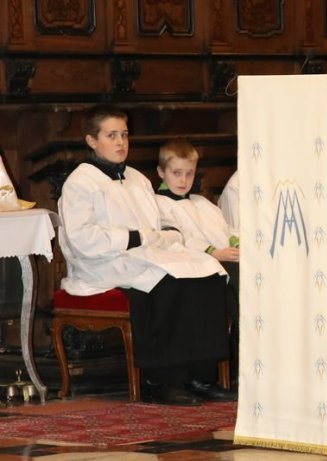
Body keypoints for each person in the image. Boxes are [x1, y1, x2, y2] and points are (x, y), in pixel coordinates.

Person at [57, 105, 235, 406]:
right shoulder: (79, 182)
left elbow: (156, 222)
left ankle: (201, 376)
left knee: (208, 272)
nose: (120, 142)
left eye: (124, 135)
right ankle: (163, 380)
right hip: (102, 263)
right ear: (92, 141)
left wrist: (165, 236)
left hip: (144, 253)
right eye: (111, 135)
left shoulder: (137, 178)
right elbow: (81, 238)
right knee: (166, 282)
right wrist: (135, 238)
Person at [154, 138, 240, 393]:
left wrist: (234, 243)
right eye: (176, 173)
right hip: (191, 266)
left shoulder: (203, 204)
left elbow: (227, 229)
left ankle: (249, 361)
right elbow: (176, 238)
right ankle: (229, 370)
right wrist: (214, 252)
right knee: (234, 284)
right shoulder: (159, 204)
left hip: (222, 262)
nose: (183, 180)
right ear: (161, 172)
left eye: (189, 173)